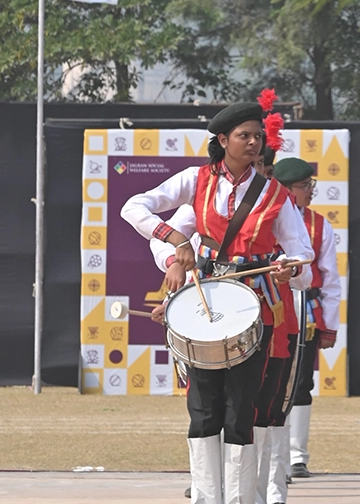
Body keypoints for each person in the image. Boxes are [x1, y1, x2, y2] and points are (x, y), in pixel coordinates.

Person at [121, 101, 314, 504]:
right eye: (245, 135)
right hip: (205, 304)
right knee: (204, 406)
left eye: (258, 136)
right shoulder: (196, 180)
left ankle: (241, 498)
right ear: (223, 140)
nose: (254, 142)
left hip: (254, 308)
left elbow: (305, 263)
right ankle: (207, 497)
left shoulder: (276, 193)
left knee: (242, 407)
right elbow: (132, 207)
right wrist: (175, 243)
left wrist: (288, 270)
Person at [270, 158, 341, 486]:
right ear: (286, 190)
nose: (311, 191)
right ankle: (273, 458)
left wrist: (328, 324)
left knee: (300, 384)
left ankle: (297, 456)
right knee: (270, 383)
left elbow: (329, 278)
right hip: (269, 307)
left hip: (305, 311)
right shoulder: (264, 217)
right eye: (304, 186)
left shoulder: (318, 224)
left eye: (311, 185)